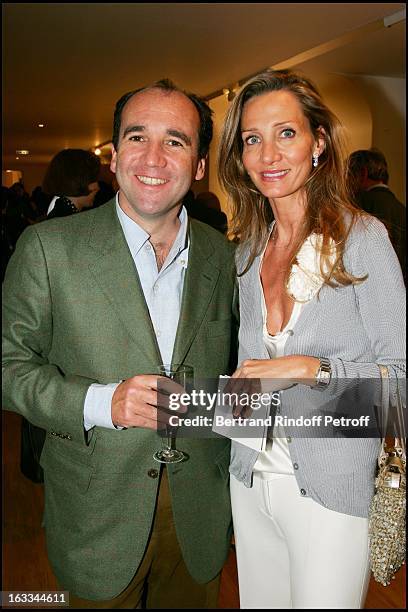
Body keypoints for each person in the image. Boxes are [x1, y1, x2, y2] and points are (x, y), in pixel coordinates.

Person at [3, 79, 237, 608]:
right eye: (137, 137)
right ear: (113, 156)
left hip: (199, 515)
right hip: (96, 515)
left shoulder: (223, 258)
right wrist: (101, 402)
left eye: (175, 141)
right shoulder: (48, 247)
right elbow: (6, 366)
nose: (153, 157)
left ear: (199, 164)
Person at [218, 69, 405, 609]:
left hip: (329, 488)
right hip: (249, 478)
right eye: (253, 139)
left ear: (318, 142)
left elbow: (401, 388)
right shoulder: (248, 247)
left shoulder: (364, 239)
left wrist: (312, 370)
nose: (268, 154)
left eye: (287, 133)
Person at [347, 148, 406, 278]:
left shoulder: (359, 206)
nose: (346, 183)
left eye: (348, 175)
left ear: (363, 173)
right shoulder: (400, 208)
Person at [42, 148, 101, 218]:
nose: (97, 188)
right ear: (76, 181)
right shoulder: (64, 218)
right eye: (92, 180)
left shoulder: (63, 210)